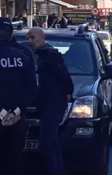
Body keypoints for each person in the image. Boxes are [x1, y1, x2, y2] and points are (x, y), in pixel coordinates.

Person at [27, 27, 74, 175]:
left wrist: (68, 92)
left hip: (53, 105)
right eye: (28, 38)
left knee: (47, 145)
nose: (29, 41)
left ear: (42, 39)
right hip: (43, 105)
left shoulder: (50, 55)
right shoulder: (38, 55)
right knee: (52, 144)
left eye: (32, 38)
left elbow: (64, 76)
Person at [0, 18, 37, 175]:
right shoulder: (23, 53)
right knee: (15, 159)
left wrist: (2, 113)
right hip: (18, 117)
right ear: (11, 34)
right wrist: (16, 112)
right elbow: (31, 88)